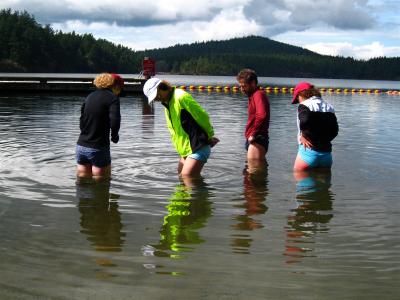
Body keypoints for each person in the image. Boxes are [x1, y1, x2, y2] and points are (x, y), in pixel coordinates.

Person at [143, 78, 219, 177]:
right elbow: (175, 132)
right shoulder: (167, 104)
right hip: (186, 150)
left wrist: (209, 136)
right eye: (154, 98)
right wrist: (182, 153)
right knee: (180, 177)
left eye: (157, 95)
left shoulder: (181, 96)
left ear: (162, 87)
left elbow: (202, 116)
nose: (157, 99)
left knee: (187, 178)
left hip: (198, 146)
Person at [76, 73, 123, 179]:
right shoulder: (112, 98)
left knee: (83, 181)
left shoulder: (89, 97)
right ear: (113, 85)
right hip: (98, 148)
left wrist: (86, 133)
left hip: (81, 146)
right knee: (101, 184)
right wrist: (114, 136)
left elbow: (81, 120)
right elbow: (115, 120)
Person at [291, 82, 339, 171]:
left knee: (302, 183)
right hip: (326, 154)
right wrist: (324, 141)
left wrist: (304, 135)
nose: (298, 101)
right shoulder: (329, 107)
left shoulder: (304, 105)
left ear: (300, 94)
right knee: (323, 184)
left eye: (297, 98)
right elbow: (335, 131)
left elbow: (304, 120)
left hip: (308, 153)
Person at [236, 69, 270, 161]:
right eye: (240, 86)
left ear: (253, 83)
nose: (242, 89)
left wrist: (253, 134)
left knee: (254, 172)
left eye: (244, 86)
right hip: (254, 138)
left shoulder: (258, 95)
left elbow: (262, 115)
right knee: (249, 172)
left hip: (257, 138)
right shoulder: (253, 95)